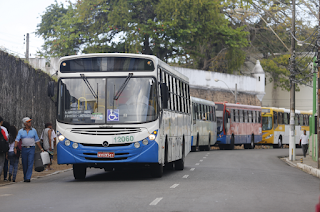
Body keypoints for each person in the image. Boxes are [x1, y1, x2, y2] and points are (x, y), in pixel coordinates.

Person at [14, 117, 44, 182]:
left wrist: (41, 148)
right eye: (28, 122)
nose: (30, 123)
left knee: (30, 162)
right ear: (25, 123)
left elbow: (37, 140)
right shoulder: (20, 131)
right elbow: (17, 140)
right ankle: (25, 176)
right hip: (24, 148)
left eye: (30, 122)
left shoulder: (34, 130)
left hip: (31, 148)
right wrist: (15, 147)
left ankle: (28, 177)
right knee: (24, 163)